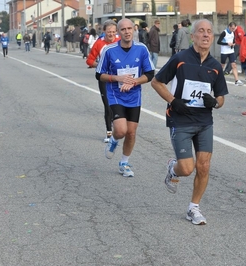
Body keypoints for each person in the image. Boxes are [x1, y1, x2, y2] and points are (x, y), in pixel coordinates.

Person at [151, 19, 228, 225]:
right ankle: (173, 168)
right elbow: (156, 82)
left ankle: (193, 208)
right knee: (187, 169)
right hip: (180, 119)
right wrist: (173, 101)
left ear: (212, 37)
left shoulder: (215, 66)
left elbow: (221, 97)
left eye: (209, 32)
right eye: (201, 31)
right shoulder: (180, 58)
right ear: (192, 36)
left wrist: (215, 102)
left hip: (204, 121)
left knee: (203, 166)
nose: (205, 35)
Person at [96, 18, 155, 177]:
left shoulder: (142, 49)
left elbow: (150, 74)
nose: (127, 32)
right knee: (121, 130)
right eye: (123, 29)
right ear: (118, 32)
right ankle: (114, 140)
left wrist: (135, 81)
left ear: (134, 30)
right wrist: (117, 78)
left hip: (134, 96)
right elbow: (99, 75)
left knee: (131, 133)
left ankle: (124, 163)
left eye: (130, 28)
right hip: (116, 95)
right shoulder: (109, 50)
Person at [86, 20, 120, 143]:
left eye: (113, 32)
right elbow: (89, 61)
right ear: (104, 31)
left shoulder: (120, 42)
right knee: (107, 105)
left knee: (119, 105)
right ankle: (109, 133)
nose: (111, 34)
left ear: (116, 32)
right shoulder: (99, 43)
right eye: (108, 32)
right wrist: (101, 65)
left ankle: (118, 126)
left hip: (118, 79)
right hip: (104, 78)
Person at [217, 22, 243, 86]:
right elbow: (218, 42)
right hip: (224, 52)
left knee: (234, 65)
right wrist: (227, 43)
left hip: (231, 51)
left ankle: (236, 80)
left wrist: (233, 44)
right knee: (222, 65)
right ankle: (217, 78)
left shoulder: (233, 32)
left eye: (234, 28)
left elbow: (233, 40)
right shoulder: (224, 32)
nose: (233, 30)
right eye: (232, 28)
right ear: (229, 27)